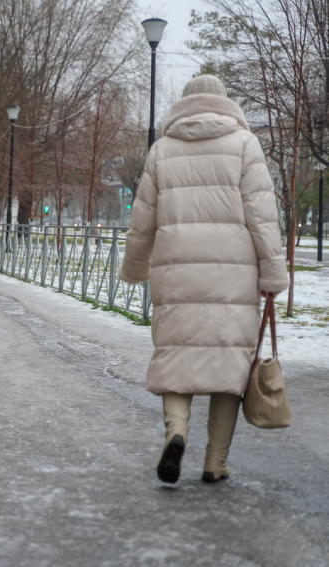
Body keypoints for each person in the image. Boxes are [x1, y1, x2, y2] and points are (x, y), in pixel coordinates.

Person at [120, 75, 288, 484]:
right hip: (233, 278)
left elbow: (142, 220)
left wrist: (134, 268)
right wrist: (273, 272)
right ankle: (215, 463)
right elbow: (263, 218)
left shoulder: (162, 150)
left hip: (176, 275)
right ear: (223, 102)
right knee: (228, 368)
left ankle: (176, 432)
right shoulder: (245, 145)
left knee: (176, 357)